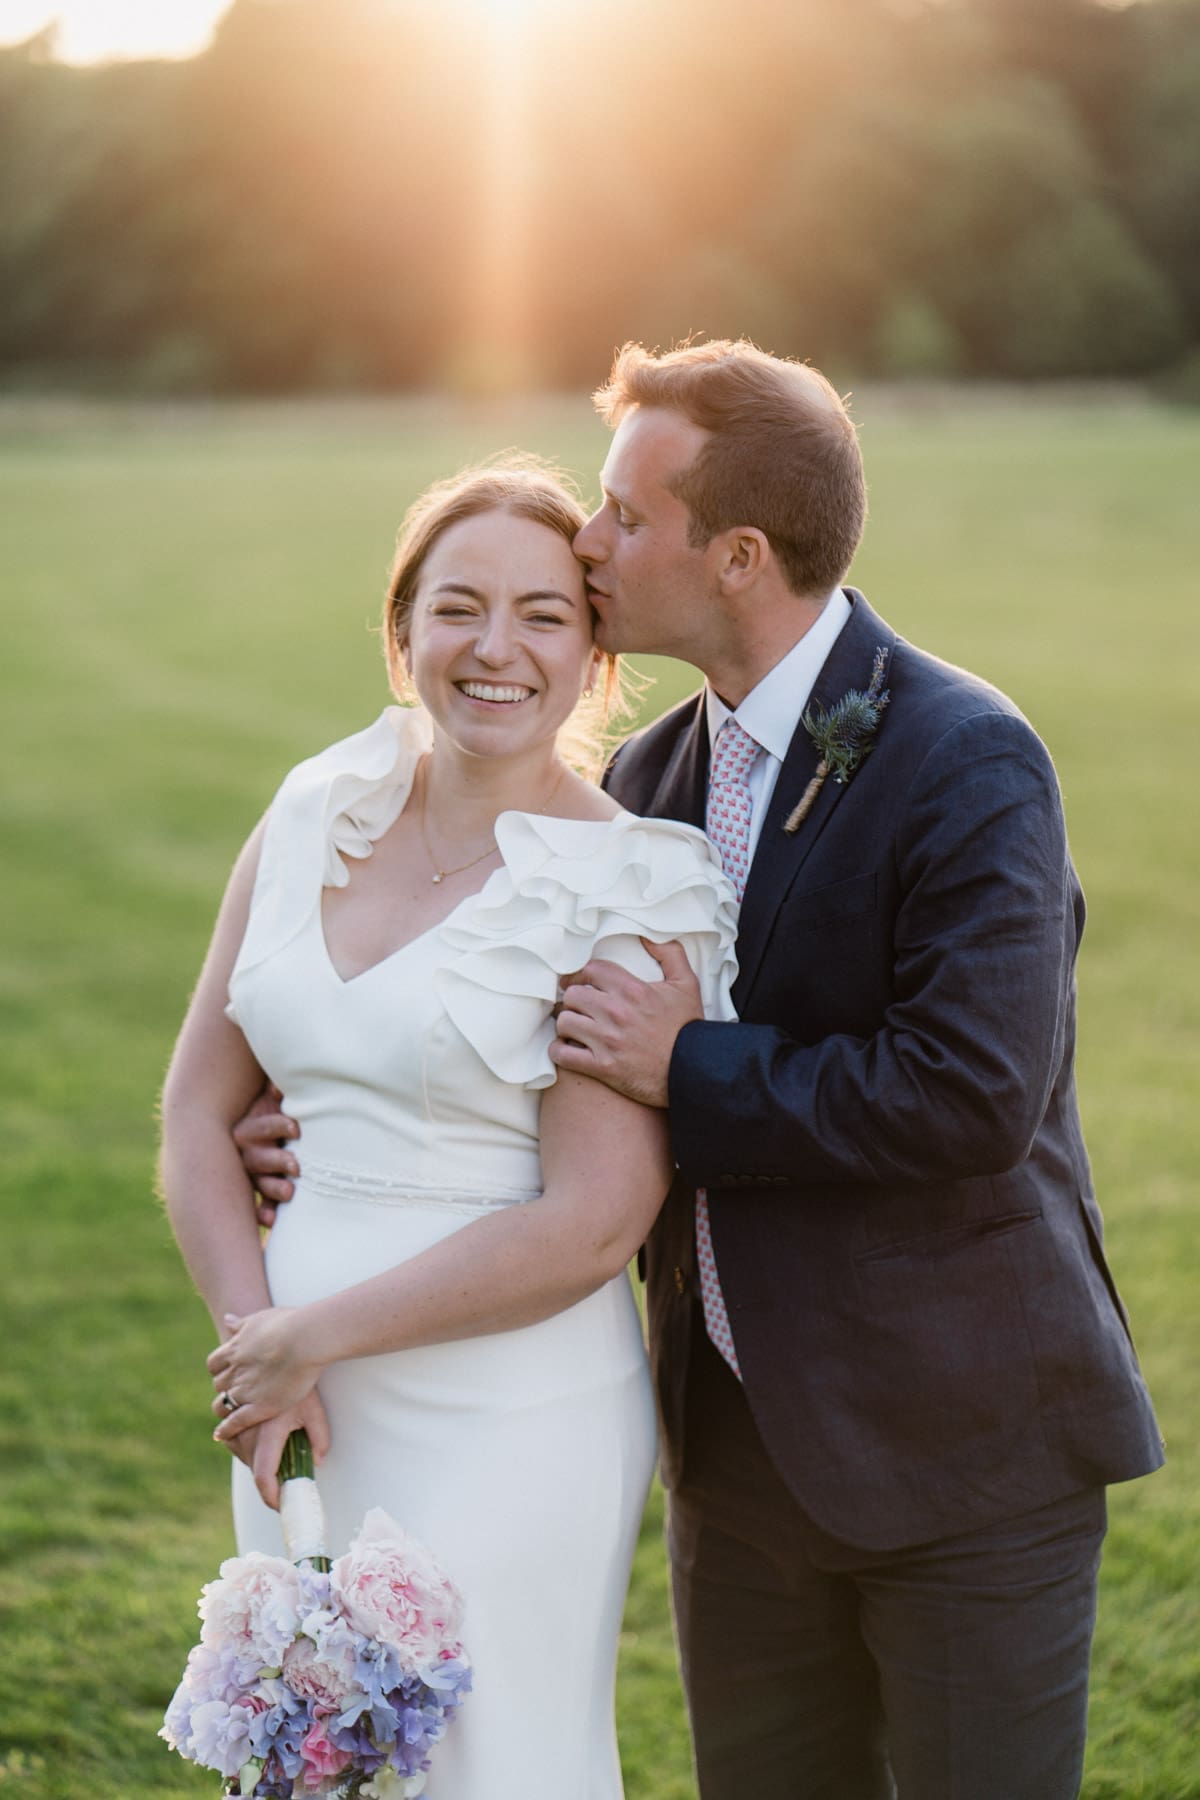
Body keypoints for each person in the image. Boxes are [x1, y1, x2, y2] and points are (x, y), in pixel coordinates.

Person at [233, 340, 1164, 1800]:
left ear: (734, 556)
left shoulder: (966, 755)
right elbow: (532, 1064)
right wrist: (326, 1127)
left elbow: (974, 1093)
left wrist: (694, 1066)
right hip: (735, 1461)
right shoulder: (648, 784)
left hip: (960, 1453)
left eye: (621, 516)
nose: (588, 544)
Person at [159, 460, 739, 1800]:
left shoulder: (627, 880)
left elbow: (594, 1219)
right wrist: (260, 1343)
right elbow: (198, 1106)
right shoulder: (313, 808)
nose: (496, 649)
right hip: (297, 1406)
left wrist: (316, 1335)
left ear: (595, 655)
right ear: (402, 628)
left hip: (511, 1409)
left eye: (543, 615)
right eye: (459, 607)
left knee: (490, 1766)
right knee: (320, 1767)